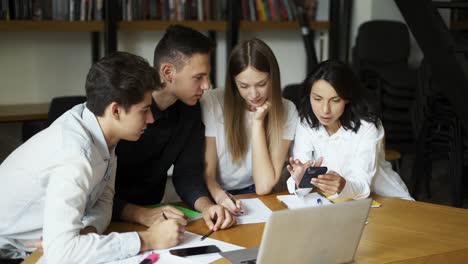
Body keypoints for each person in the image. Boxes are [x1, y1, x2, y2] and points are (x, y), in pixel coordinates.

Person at [0, 52, 188, 264]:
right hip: (8, 252)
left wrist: (87, 233)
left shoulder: (99, 128)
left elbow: (104, 201)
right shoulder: (75, 155)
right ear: (116, 111)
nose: (151, 118)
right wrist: (147, 239)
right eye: (144, 110)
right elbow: (61, 254)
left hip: (40, 246)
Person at [113, 25, 235, 231]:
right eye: (199, 77)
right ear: (168, 72)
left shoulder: (190, 109)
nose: (207, 85)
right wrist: (141, 214)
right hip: (108, 217)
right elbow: (95, 194)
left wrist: (207, 207)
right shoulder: (124, 109)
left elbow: (187, 174)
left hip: (156, 214)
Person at [286, 60, 413, 200]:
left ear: (347, 98)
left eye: (335, 100)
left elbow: (362, 183)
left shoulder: (367, 126)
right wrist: (300, 180)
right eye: (317, 99)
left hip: (386, 198)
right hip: (336, 202)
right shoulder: (306, 122)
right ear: (309, 95)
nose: (325, 110)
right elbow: (303, 173)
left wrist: (343, 185)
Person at [201, 38, 299, 215]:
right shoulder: (212, 102)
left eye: (261, 84)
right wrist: (221, 197)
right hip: (215, 193)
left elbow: (263, 186)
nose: (253, 94)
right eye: (244, 86)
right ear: (233, 82)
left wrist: (258, 122)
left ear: (273, 78)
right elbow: (208, 174)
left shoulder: (288, 110)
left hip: (256, 192)